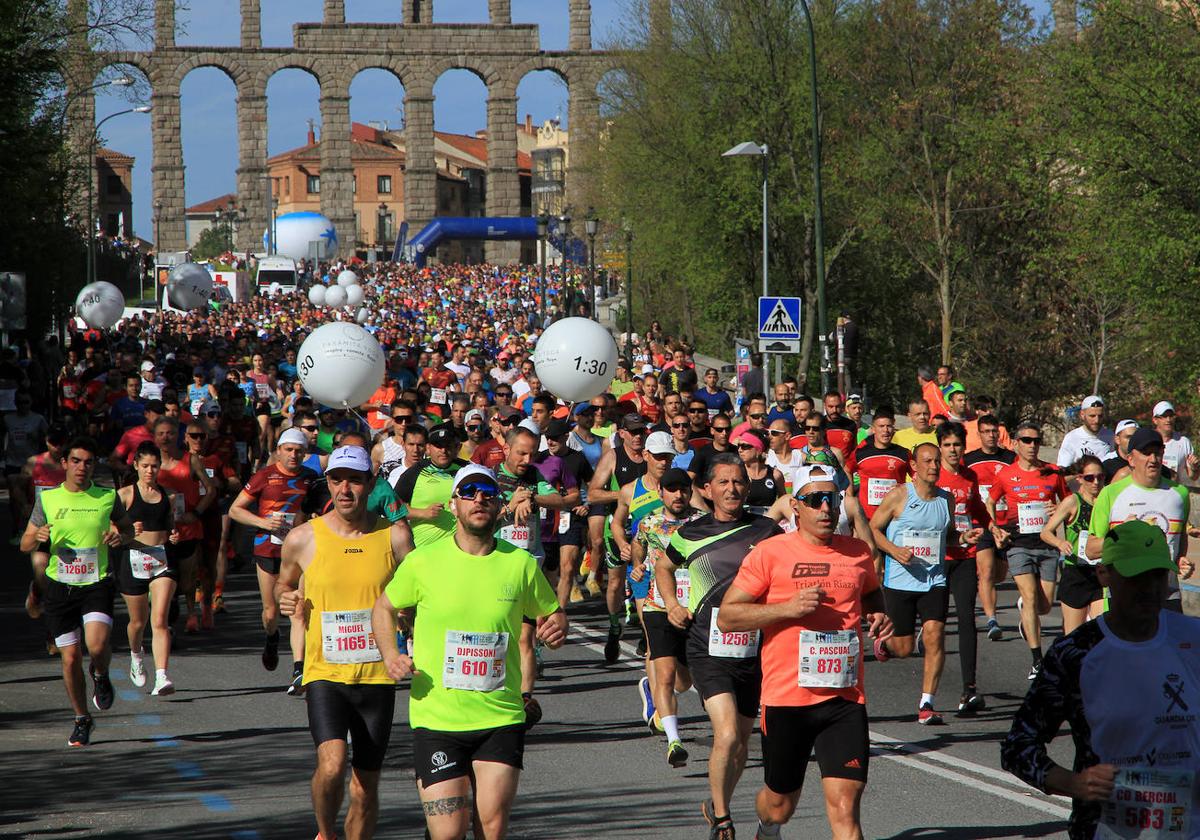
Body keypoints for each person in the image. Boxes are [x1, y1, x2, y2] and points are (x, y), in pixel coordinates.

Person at [371, 464, 567, 840]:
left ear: (498, 506)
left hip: (501, 716)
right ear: (453, 504)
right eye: (469, 492)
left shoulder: (519, 563)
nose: (479, 499)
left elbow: (552, 613)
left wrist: (558, 627)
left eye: (488, 494)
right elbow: (383, 607)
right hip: (438, 718)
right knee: (447, 833)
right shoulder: (423, 562)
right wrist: (389, 656)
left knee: (492, 827)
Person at [717, 464, 894, 840]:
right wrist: (785, 609)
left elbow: (870, 591)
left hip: (844, 699)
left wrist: (878, 611)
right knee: (781, 805)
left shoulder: (858, 552)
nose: (826, 509)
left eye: (831, 499)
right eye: (815, 500)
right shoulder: (770, 553)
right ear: (796, 506)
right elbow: (728, 617)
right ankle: (766, 827)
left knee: (846, 808)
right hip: (787, 700)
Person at [1001, 520, 1200, 840]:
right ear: (1104, 574)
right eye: (1135, 577)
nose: (1148, 588)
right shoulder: (1076, 653)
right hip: (1106, 830)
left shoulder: (1193, 639)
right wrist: (1073, 783)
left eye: (1156, 575)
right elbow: (1018, 747)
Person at [276, 445, 415, 840]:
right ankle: (325, 832)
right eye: (337, 480)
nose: (345, 489)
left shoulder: (395, 536)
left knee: (365, 784)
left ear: (371, 484)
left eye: (355, 480)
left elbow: (418, 592)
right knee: (333, 764)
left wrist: (408, 616)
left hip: (377, 676)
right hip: (325, 674)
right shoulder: (304, 538)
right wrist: (287, 599)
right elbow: (284, 585)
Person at [661, 453, 784, 840]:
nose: (733, 489)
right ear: (707, 489)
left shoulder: (767, 531)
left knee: (743, 741)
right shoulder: (689, 534)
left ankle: (716, 806)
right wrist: (673, 605)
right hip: (706, 647)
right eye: (725, 482)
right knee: (727, 734)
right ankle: (724, 817)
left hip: (754, 648)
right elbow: (663, 566)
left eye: (739, 482)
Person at [19, 436, 134, 746]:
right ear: (65, 464)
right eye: (77, 461)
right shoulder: (48, 499)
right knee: (70, 658)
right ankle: (82, 718)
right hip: (60, 587)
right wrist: (39, 535)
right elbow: (25, 543)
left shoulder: (107, 497)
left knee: (96, 647)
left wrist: (119, 536)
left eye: (88, 462)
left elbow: (128, 528)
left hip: (96, 582)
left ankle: (100, 674)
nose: (83, 467)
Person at [870, 442, 981, 723]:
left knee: (934, 636)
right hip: (900, 581)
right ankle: (885, 647)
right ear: (914, 467)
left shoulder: (946, 500)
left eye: (936, 461)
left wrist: (963, 539)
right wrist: (893, 551)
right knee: (904, 648)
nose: (933, 467)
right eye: (927, 461)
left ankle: (926, 703)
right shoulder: (898, 497)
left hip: (934, 579)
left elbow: (950, 535)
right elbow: (873, 529)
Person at [229, 427, 318, 691]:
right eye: (289, 450)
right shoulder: (264, 476)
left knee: (298, 610)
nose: (294, 455)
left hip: (301, 554)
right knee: (271, 613)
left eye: (299, 451)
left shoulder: (311, 479)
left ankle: (299, 670)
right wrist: (264, 522)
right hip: (268, 550)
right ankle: (271, 637)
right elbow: (235, 510)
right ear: (278, 451)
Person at [986, 420, 1068, 679]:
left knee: (1044, 606)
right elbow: (989, 501)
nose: (1033, 446)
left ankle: (1027, 613)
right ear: (1016, 443)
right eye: (1027, 441)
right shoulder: (1006, 474)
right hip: (1018, 543)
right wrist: (996, 528)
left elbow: (1069, 502)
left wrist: (1059, 510)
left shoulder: (1053, 472)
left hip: (1047, 544)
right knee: (1031, 598)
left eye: (1037, 440)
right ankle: (1036, 660)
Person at [1085, 427, 1196, 610]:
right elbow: (1091, 549)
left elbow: (1178, 537)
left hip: (1166, 590)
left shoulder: (1180, 494)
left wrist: (1180, 561)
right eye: (1146, 453)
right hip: (1124, 587)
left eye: (1157, 453)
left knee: (1170, 638)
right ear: (1131, 459)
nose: (1153, 459)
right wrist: (1122, 536)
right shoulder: (1110, 494)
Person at [637, 467, 704, 767]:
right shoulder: (648, 522)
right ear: (661, 492)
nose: (678, 495)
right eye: (672, 489)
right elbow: (638, 550)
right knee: (664, 677)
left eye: (683, 490)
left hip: (693, 609)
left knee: (686, 681)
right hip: (658, 608)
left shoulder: (702, 523)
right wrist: (639, 567)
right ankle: (674, 742)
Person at [933, 421, 991, 715]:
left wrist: (993, 527)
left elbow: (978, 508)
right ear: (940, 447)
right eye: (948, 445)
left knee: (967, 619)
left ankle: (969, 689)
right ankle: (929, 693)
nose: (953, 450)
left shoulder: (970, 476)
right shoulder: (933, 476)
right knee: (937, 624)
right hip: (936, 559)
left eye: (957, 445)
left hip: (965, 557)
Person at [114, 441, 180, 696]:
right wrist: (127, 532)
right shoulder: (124, 495)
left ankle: (162, 676)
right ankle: (136, 655)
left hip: (161, 561)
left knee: (160, 619)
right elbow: (109, 532)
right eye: (145, 466)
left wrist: (173, 535)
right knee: (137, 622)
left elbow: (171, 524)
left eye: (154, 466)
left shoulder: (169, 495)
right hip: (133, 561)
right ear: (136, 466)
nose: (150, 471)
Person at [587, 413, 649, 656]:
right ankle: (614, 627)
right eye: (632, 432)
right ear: (621, 433)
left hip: (647, 530)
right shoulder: (613, 456)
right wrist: (624, 495)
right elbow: (592, 494)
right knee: (615, 583)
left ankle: (646, 634)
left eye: (641, 431)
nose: (637, 436)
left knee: (646, 581)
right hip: (618, 528)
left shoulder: (651, 457)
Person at [963, 414, 1016, 641]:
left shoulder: (1011, 457)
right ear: (979, 434)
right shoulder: (969, 459)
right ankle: (992, 619)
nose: (991, 436)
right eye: (986, 432)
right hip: (982, 523)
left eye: (994, 432)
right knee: (985, 571)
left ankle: (986, 595)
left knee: (999, 574)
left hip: (1008, 523)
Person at [1041, 455, 1107, 635]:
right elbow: (1046, 532)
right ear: (1079, 479)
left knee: (1101, 632)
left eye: (1100, 477)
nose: (1096, 482)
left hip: (1102, 573)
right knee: (1073, 636)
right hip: (1076, 573)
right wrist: (1060, 542)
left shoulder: (1107, 502)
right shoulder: (1072, 501)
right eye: (1089, 478)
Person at [392, 423, 467, 547]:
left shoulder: (467, 469)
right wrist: (422, 513)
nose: (443, 450)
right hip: (424, 548)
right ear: (428, 448)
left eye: (448, 445)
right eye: (438, 445)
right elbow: (393, 508)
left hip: (460, 549)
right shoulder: (414, 473)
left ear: (456, 447)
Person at [845, 406, 910, 522]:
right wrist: (849, 495)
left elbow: (917, 478)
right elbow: (847, 469)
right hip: (867, 516)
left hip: (895, 516)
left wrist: (905, 489)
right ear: (873, 429)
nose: (885, 430)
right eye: (881, 426)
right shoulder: (861, 453)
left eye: (889, 426)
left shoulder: (904, 453)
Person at [732, 428, 785, 515]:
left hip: (767, 522)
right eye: (739, 446)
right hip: (744, 522)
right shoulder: (736, 473)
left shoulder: (775, 474)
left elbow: (783, 502)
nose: (740, 450)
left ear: (758, 450)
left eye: (745, 446)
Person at [1056, 394, 1115, 467]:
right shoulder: (1072, 438)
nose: (1096, 420)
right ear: (1082, 415)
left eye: (1100, 416)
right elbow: (1063, 470)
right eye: (1092, 416)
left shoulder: (1111, 436)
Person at [1151, 400, 1200, 480]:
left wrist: (1194, 468)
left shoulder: (1184, 442)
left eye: (1171, 416)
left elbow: (1193, 477)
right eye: (1164, 416)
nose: (1168, 420)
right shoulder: (1148, 440)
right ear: (1155, 420)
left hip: (1173, 490)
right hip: (1152, 491)